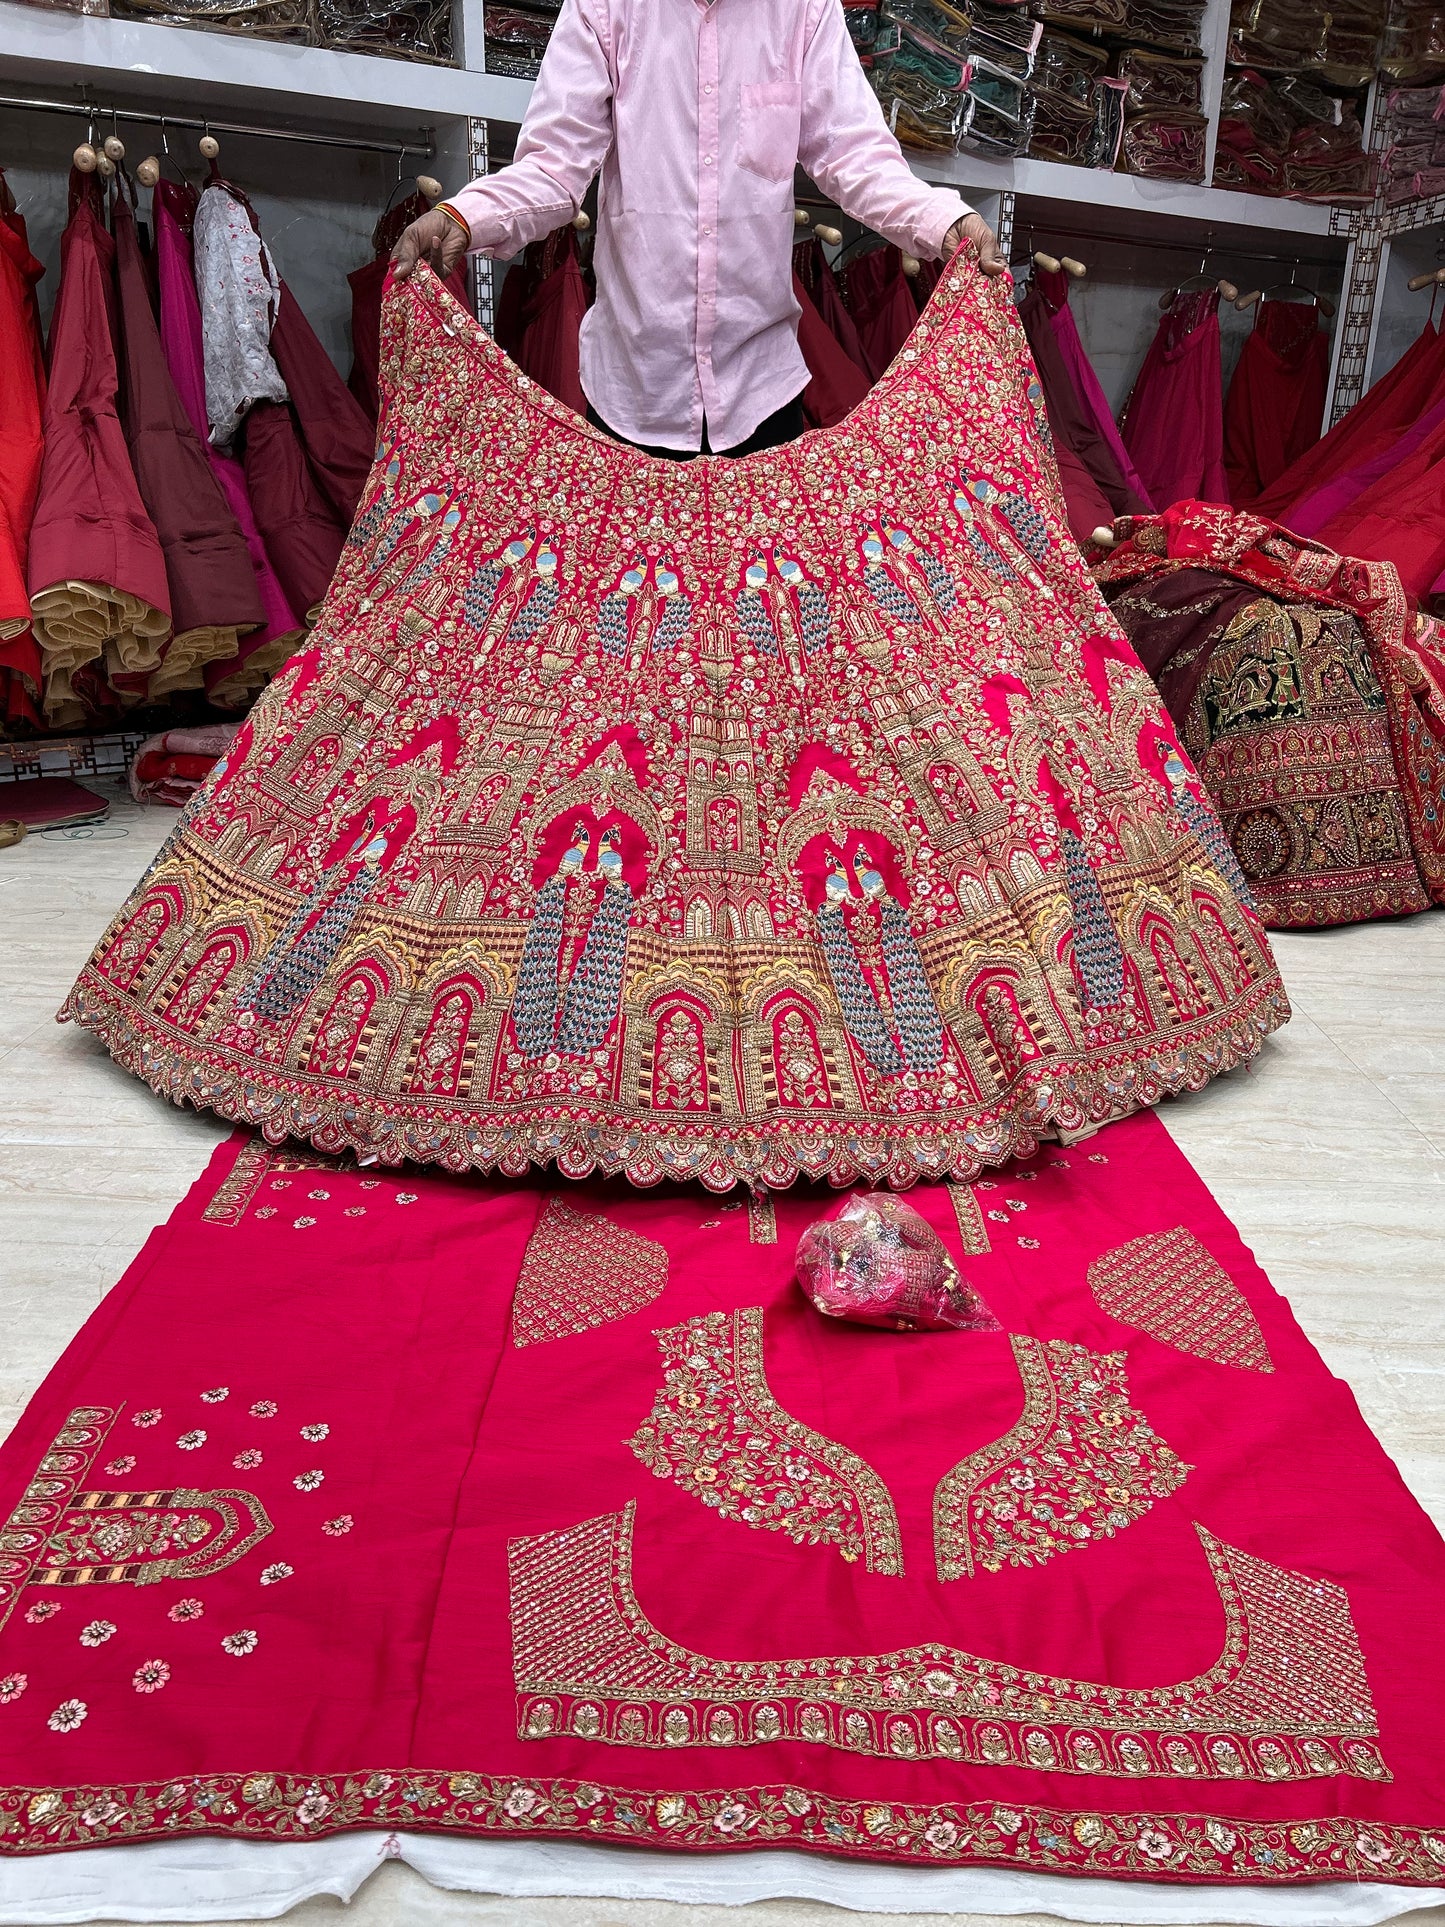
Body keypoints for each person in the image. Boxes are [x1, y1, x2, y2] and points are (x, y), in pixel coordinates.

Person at [391, 0, 1006, 459]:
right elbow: (554, 167)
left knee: (761, 621)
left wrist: (941, 220)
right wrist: (463, 216)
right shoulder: (605, 7)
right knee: (632, 620)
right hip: (633, 393)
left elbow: (852, 156)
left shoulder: (802, 11)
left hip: (763, 392)